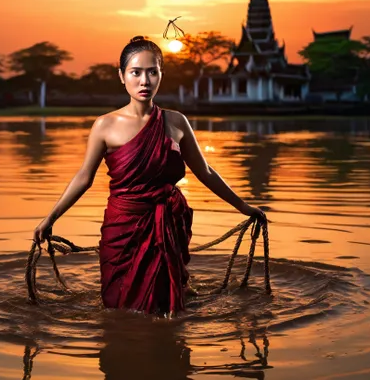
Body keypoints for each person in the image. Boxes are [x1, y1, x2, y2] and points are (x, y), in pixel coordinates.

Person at [33, 36, 265, 316]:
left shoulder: (176, 122)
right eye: (136, 72)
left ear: (160, 76)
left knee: (168, 307)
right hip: (122, 228)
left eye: (152, 72)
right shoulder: (105, 125)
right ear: (121, 76)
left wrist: (245, 207)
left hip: (167, 224)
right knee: (117, 309)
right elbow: (84, 177)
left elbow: (205, 172)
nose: (145, 81)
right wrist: (50, 218)